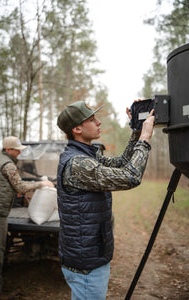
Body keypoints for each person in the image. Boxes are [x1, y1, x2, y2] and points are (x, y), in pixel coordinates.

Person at [56, 101, 155, 300]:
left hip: (91, 254)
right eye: (92, 120)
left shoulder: (85, 155)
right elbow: (130, 176)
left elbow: (120, 164)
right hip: (87, 262)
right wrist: (144, 139)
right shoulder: (78, 163)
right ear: (77, 129)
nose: (99, 123)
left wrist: (136, 131)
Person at [0, 136, 54, 300]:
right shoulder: (8, 164)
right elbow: (20, 186)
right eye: (17, 149)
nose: (19, 152)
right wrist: (41, 184)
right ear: (9, 149)